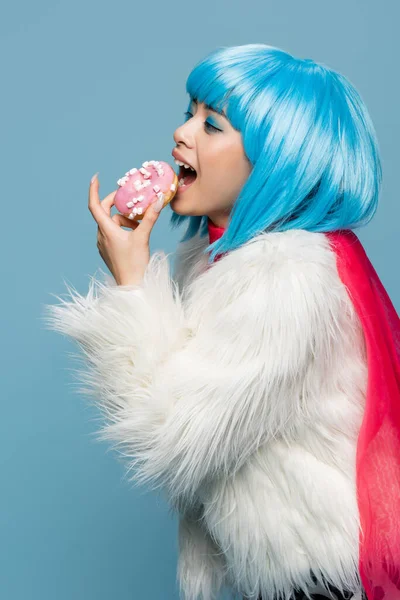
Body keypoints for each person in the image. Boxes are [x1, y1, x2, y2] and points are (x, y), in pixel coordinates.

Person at [43, 44, 400, 600]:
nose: (182, 134)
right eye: (190, 113)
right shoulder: (219, 263)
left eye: (212, 125)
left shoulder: (286, 278)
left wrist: (133, 284)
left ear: (276, 161)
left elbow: (170, 436)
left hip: (316, 580)